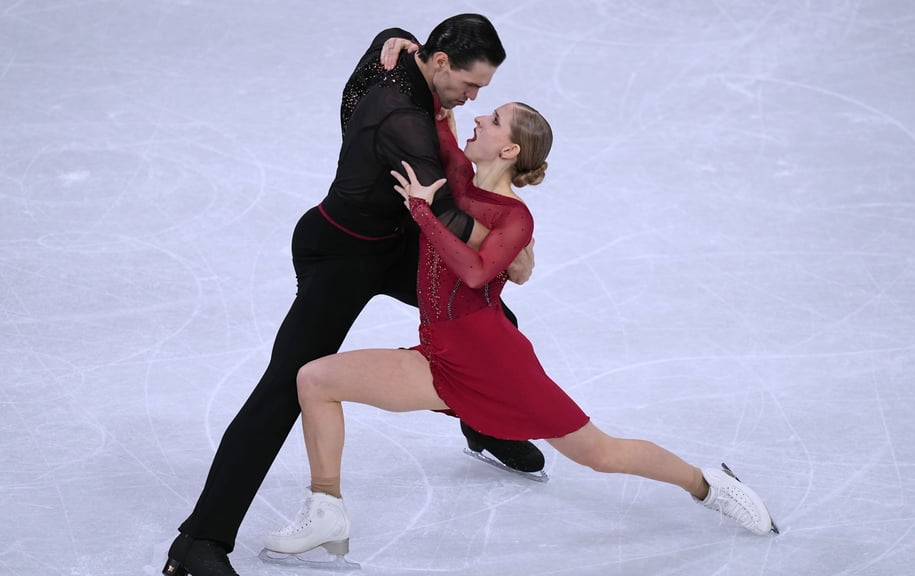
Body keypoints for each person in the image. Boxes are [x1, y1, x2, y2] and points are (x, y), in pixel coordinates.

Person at [261, 100, 779, 561]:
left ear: (509, 149)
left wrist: (422, 210)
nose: (480, 117)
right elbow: (439, 119)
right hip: (440, 353)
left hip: (493, 361)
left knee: (599, 453)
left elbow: (475, 273)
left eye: (493, 120)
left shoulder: (515, 218)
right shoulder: (455, 180)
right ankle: (326, 511)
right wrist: (402, 50)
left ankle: (708, 484)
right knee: (316, 379)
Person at [163, 14, 547, 576]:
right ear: (440, 62)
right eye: (470, 85)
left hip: (394, 242)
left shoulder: (398, 59)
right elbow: (442, 211)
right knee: (284, 388)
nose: (472, 99)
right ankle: (198, 541)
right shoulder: (403, 119)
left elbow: (381, 45)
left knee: (493, 325)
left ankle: (482, 422)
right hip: (342, 254)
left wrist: (394, 36)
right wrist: (511, 247)